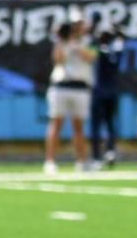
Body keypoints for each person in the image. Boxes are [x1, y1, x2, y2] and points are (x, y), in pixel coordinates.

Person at [44, 19, 94, 175]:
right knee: (56, 123)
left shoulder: (88, 41)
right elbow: (59, 61)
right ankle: (50, 161)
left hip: (80, 87)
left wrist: (77, 45)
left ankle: (82, 161)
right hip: (62, 85)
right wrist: (61, 41)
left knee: (79, 126)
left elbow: (91, 58)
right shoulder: (61, 43)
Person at [89, 30, 125, 169]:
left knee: (96, 126)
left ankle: (96, 156)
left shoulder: (99, 51)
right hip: (112, 92)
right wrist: (119, 31)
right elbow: (121, 42)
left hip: (99, 93)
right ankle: (110, 150)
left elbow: (91, 47)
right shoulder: (115, 52)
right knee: (110, 124)